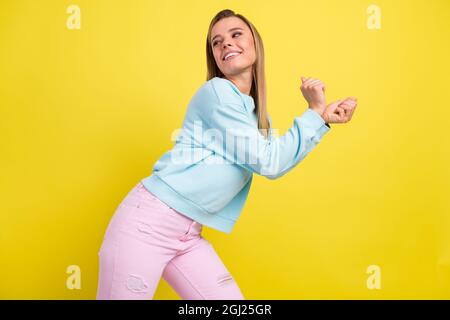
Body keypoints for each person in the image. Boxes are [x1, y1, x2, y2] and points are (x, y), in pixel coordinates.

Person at [96, 9, 357, 300]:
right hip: (147, 226)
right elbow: (269, 162)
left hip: (187, 235)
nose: (226, 45)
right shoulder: (217, 92)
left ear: (255, 43)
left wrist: (321, 118)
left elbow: (276, 160)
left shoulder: (258, 115)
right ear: (215, 58)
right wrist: (313, 112)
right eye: (217, 43)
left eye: (236, 35)